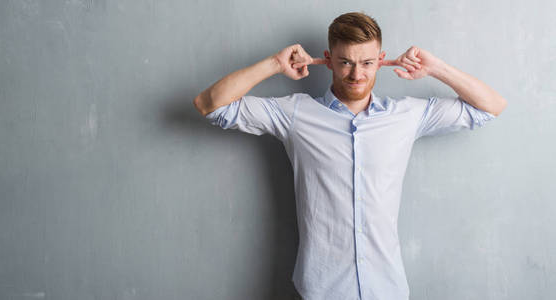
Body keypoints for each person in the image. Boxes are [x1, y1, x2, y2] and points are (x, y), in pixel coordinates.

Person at [193, 12, 507, 300]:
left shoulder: (407, 115)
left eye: (367, 62)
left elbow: (490, 106)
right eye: (345, 62)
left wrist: (435, 67)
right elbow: (211, 104)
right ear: (327, 60)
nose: (356, 73)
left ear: (382, 60)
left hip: (387, 289)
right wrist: (275, 63)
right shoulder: (295, 114)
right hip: (322, 289)